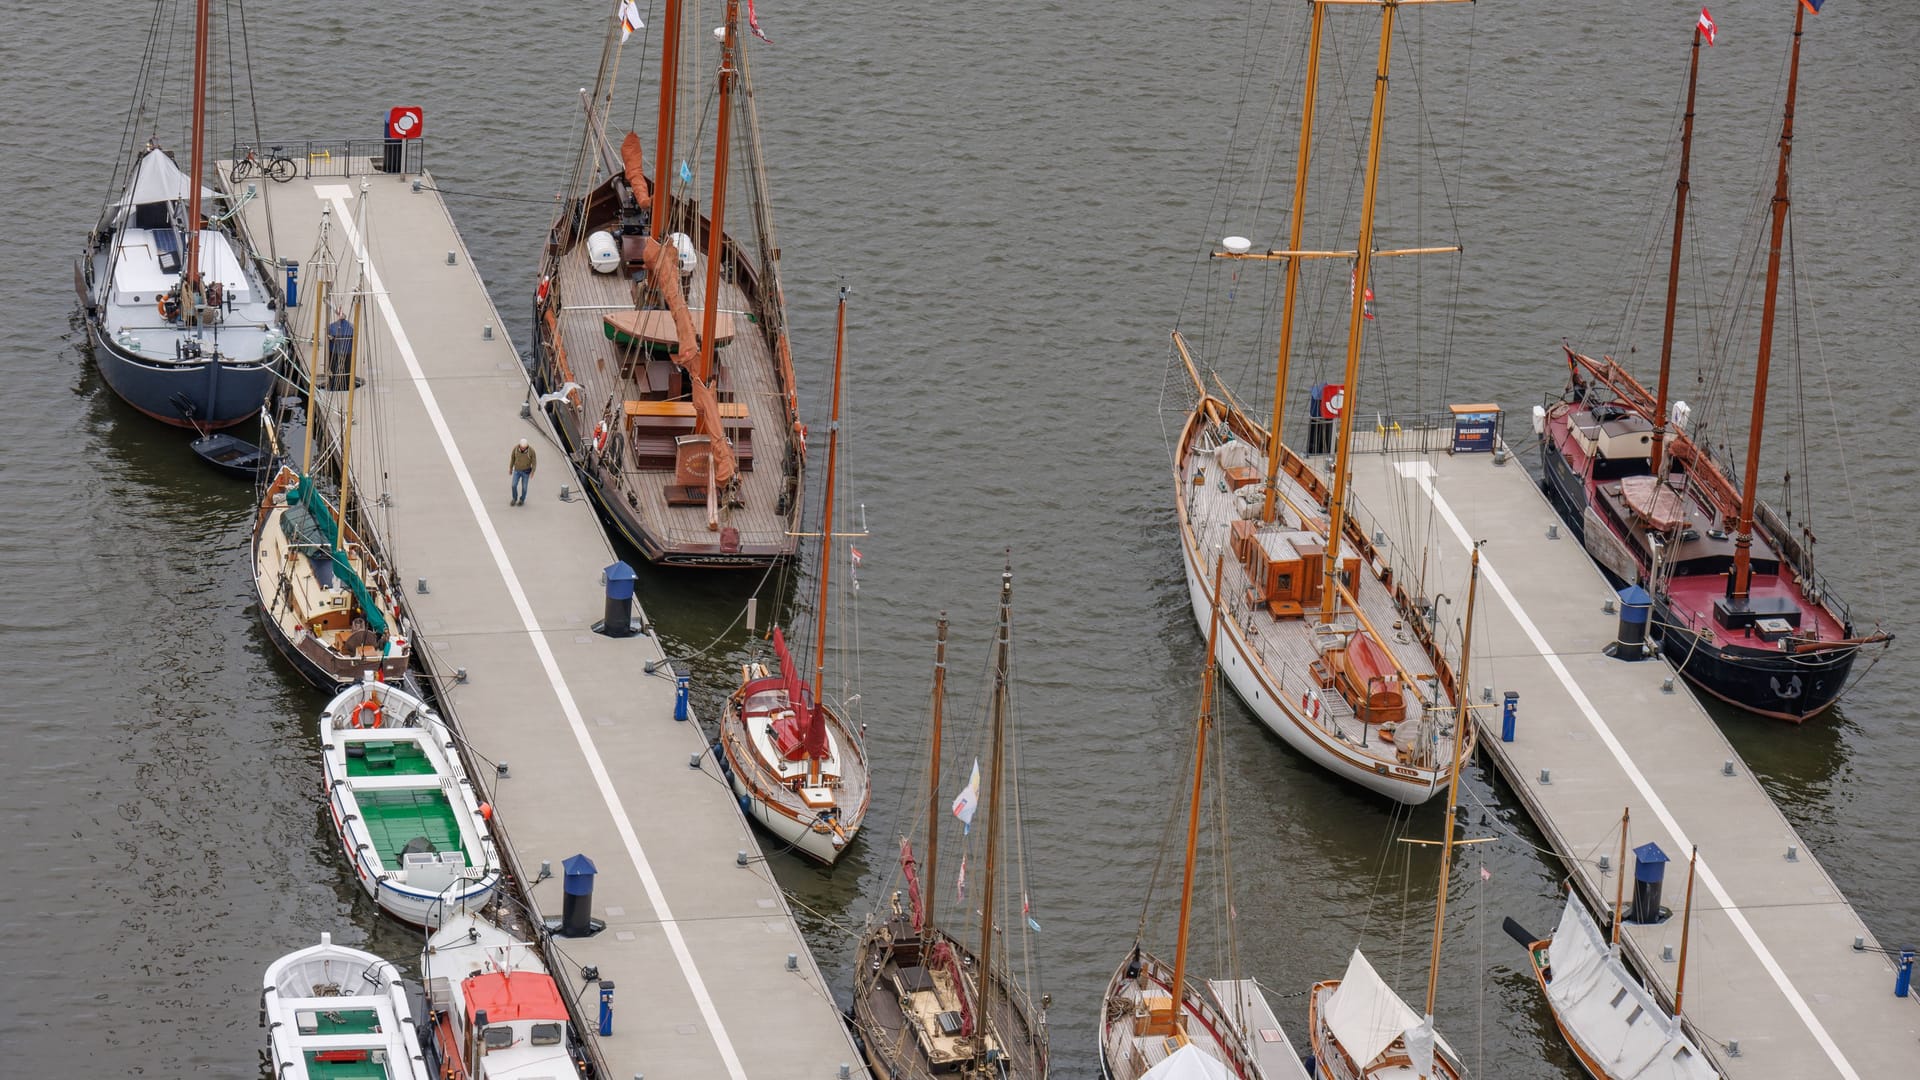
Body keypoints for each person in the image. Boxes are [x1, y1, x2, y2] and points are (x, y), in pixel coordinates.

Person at [509, 438, 536, 505]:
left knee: (524, 488)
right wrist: (510, 468)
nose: (522, 449)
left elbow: (534, 462)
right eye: (521, 447)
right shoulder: (515, 449)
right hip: (517, 470)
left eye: (524, 448)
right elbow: (512, 458)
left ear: (527, 446)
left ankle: (522, 500)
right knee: (513, 485)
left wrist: (532, 472)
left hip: (526, 472)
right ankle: (514, 498)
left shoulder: (531, 451)